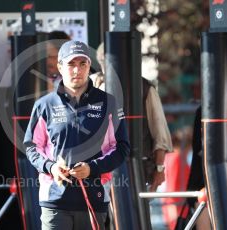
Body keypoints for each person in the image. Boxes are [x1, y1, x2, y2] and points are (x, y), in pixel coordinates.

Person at [23, 40, 130, 230]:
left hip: (95, 199)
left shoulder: (109, 103)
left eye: (83, 64)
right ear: (60, 67)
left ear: (89, 66)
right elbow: (32, 147)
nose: (76, 70)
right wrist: (51, 167)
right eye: (71, 64)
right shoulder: (44, 105)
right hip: (54, 201)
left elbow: (122, 148)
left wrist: (92, 168)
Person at [90, 42, 173, 192]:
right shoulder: (93, 86)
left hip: (136, 169)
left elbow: (160, 135)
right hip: (98, 171)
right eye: (104, 61)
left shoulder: (144, 88)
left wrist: (159, 169)